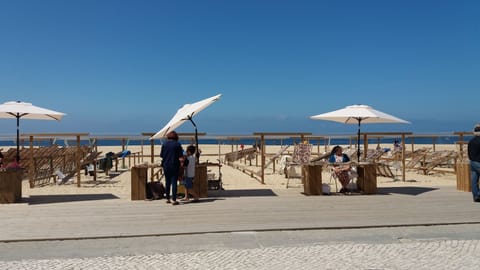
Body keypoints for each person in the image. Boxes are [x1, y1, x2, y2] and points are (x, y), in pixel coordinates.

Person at [160, 130, 184, 205]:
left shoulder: (164, 144)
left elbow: (161, 155)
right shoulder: (177, 144)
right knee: (174, 182)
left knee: (167, 182)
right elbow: (181, 156)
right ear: (176, 137)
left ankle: (167, 198)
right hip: (174, 165)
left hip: (166, 165)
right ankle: (174, 199)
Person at [468, 123, 480, 203]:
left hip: (472, 162)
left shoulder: (471, 141)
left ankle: (476, 196)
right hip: (479, 162)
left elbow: (468, 152)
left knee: (474, 180)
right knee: (474, 179)